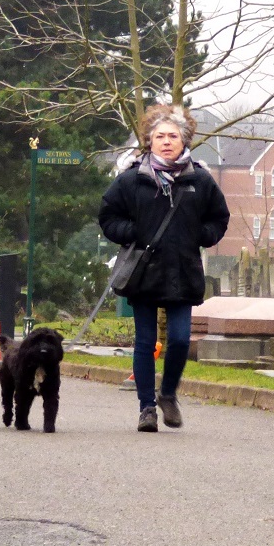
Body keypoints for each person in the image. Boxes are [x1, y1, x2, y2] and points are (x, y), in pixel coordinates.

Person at [98, 104, 230, 432]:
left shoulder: (199, 179)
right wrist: (133, 234)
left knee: (182, 340)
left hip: (182, 272)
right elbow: (108, 217)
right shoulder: (131, 180)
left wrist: (199, 236)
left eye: (173, 136)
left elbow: (219, 217)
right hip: (144, 272)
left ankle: (167, 394)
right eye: (160, 136)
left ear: (184, 140)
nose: (167, 141)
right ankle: (146, 408)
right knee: (144, 341)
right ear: (149, 141)